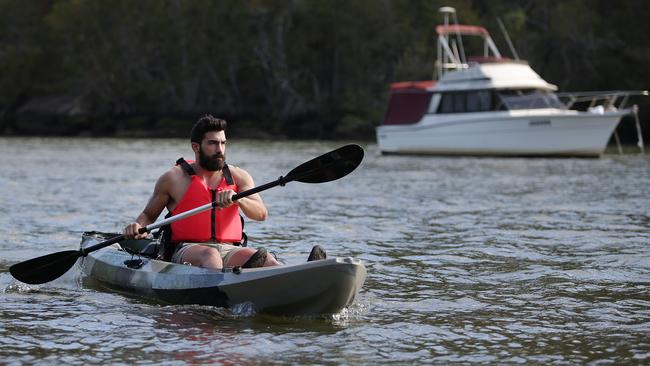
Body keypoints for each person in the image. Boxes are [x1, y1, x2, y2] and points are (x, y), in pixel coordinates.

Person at [123, 115, 325, 270]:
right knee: (210, 256)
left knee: (268, 259)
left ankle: (305, 276)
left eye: (222, 143)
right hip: (187, 250)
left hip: (230, 249)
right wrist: (137, 226)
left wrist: (240, 201)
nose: (219, 149)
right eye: (212, 143)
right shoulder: (173, 178)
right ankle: (222, 293)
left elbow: (261, 214)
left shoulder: (239, 177)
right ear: (196, 147)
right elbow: (149, 215)